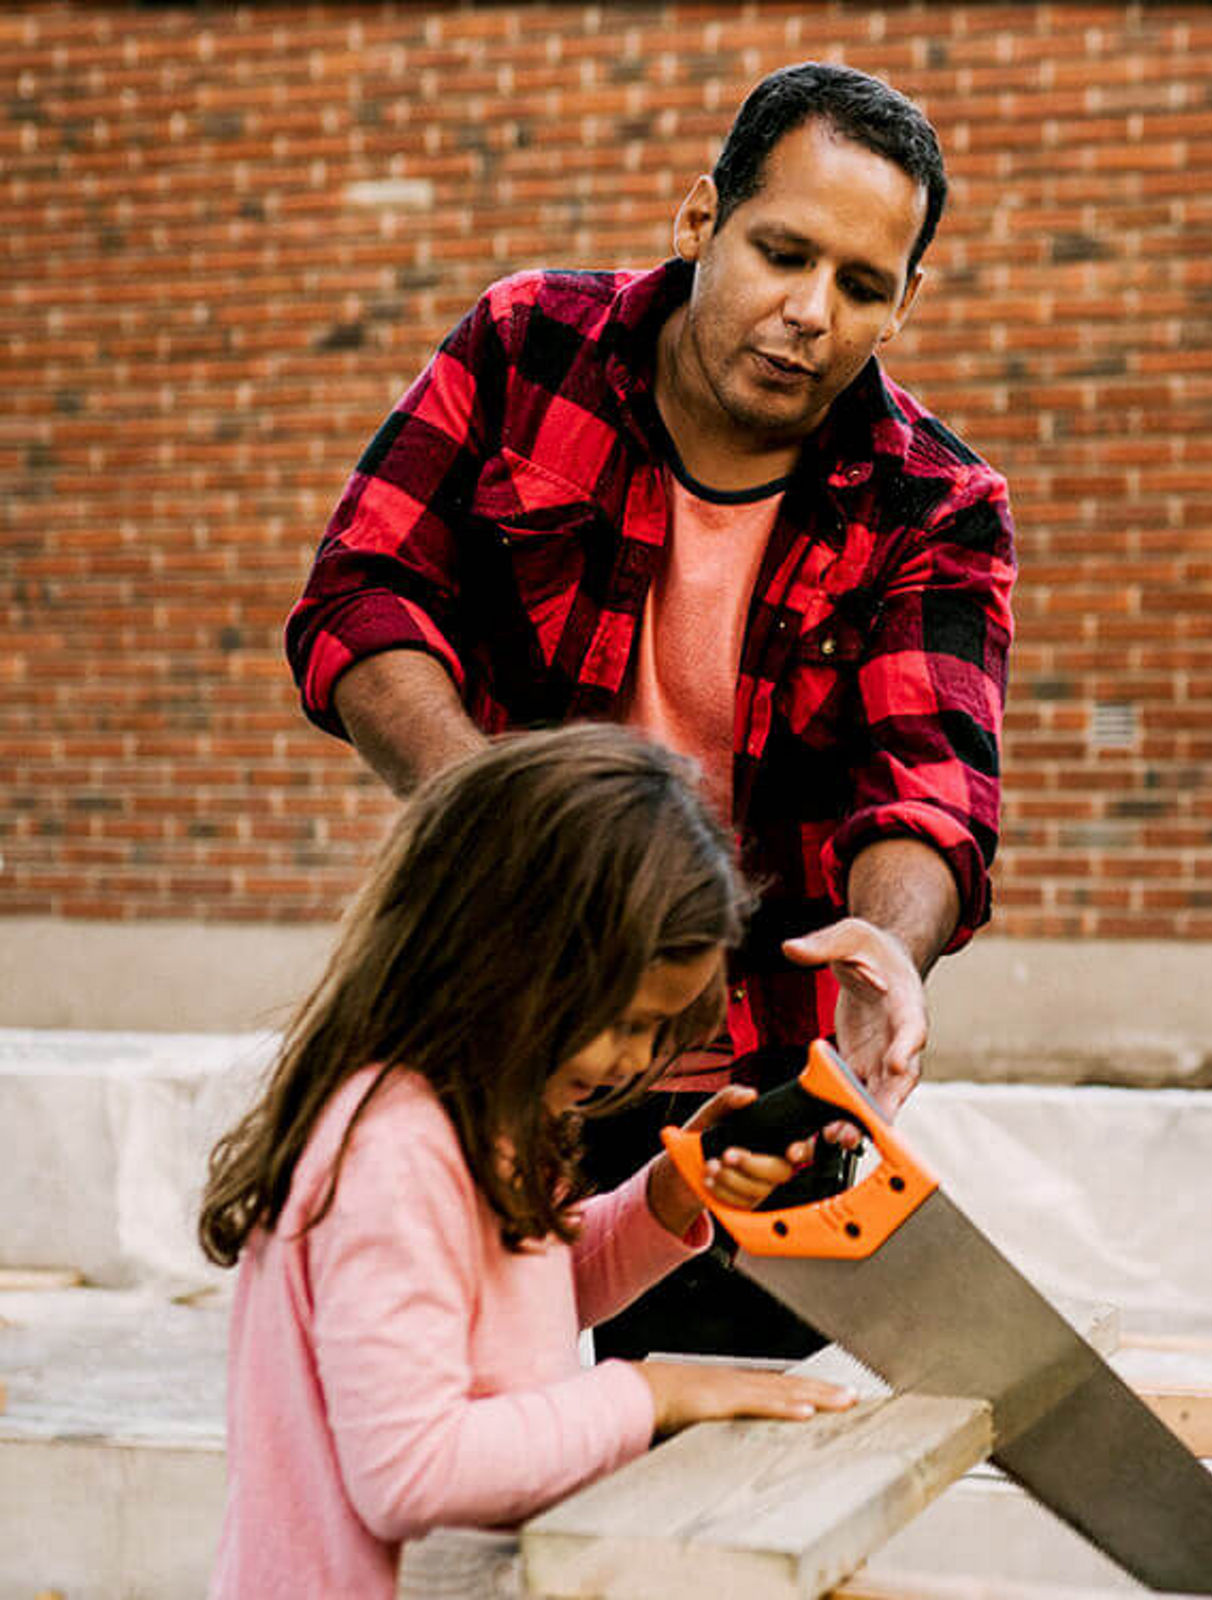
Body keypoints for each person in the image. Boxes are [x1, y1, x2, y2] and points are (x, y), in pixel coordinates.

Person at [283, 64, 1012, 1353]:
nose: (807, 313)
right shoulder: (524, 347)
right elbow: (361, 594)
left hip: (750, 1099)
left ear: (905, 302)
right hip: (490, 1026)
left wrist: (889, 951)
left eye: (860, 285)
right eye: (782, 252)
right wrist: (522, 836)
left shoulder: (934, 501)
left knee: (712, 1510)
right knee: (457, 1466)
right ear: (699, 220)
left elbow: (929, 779)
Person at [198, 726, 860, 1600]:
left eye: (659, 1032)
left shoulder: (486, 1119)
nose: (638, 1062)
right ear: (507, 959)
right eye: (626, 1023)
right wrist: (648, 1395)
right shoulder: (393, 1153)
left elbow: (521, 1314)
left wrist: (666, 1197)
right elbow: (411, 1471)